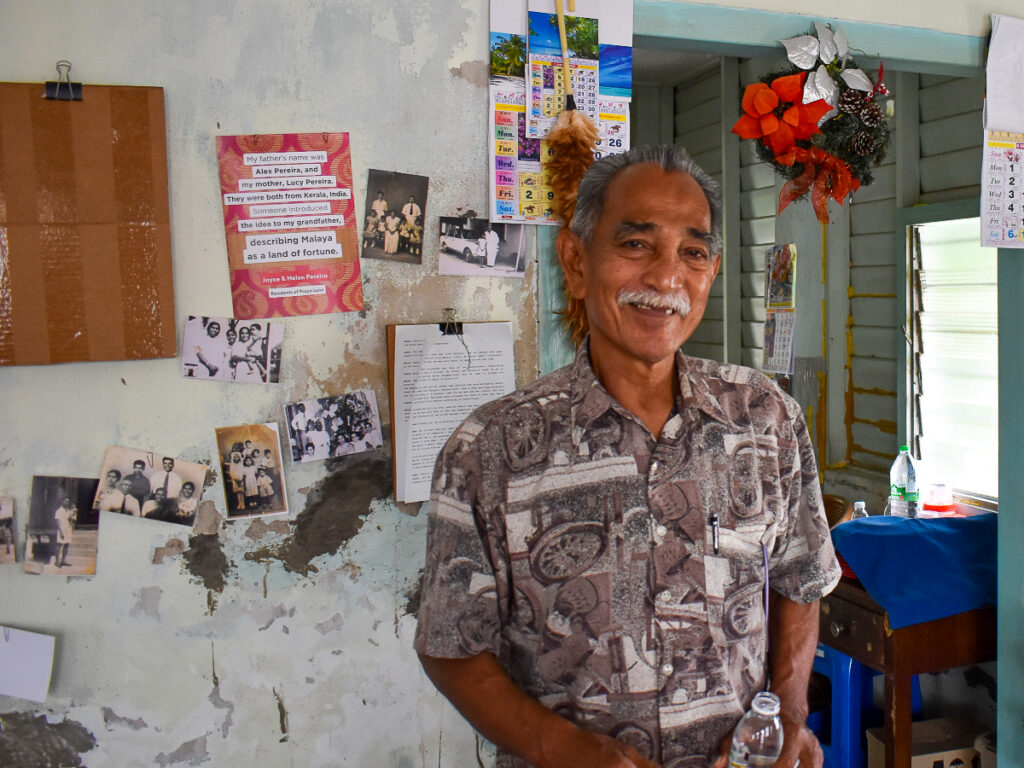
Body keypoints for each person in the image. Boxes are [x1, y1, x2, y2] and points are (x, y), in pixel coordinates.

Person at [414, 145, 840, 768]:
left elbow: (803, 579)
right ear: (576, 262)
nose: (666, 279)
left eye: (692, 253)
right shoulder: (491, 450)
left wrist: (787, 714)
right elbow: (451, 644)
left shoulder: (764, 419)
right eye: (636, 245)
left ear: (711, 273)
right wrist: (566, 749)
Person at [53, 498, 76, 567]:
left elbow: (70, 519)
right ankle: (57, 561)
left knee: (66, 545)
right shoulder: (59, 511)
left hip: (68, 529)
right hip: (62, 530)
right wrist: (61, 532)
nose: (67, 502)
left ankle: (63, 560)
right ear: (62, 502)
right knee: (59, 545)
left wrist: (72, 516)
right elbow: (57, 522)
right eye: (65, 501)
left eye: (68, 501)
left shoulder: (68, 510)